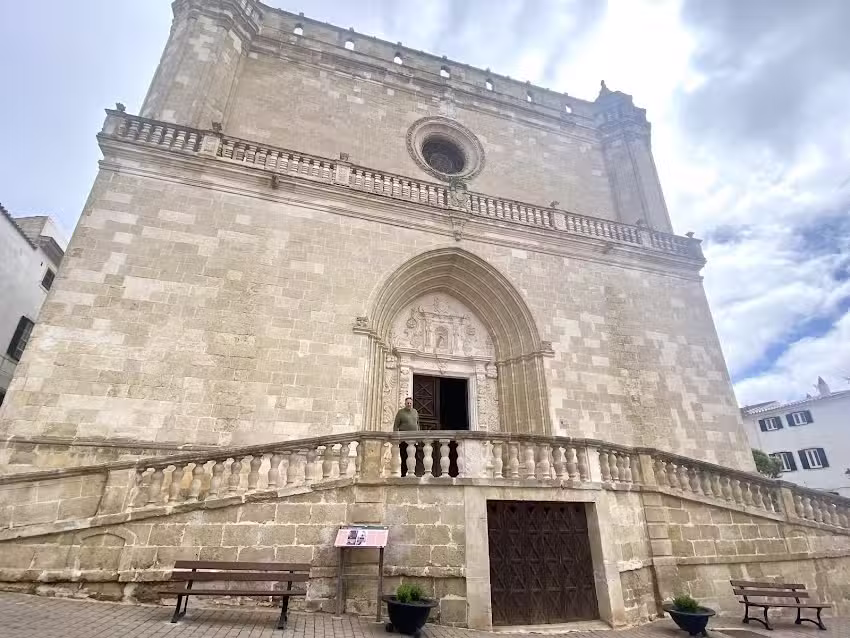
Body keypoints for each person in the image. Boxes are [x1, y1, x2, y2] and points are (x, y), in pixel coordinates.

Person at [393, 397, 419, 476]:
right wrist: (396, 436)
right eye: (407, 403)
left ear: (412, 404)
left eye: (410, 403)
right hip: (404, 438)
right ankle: (403, 474)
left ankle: (413, 472)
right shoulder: (400, 412)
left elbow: (418, 424)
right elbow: (396, 425)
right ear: (405, 404)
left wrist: (418, 436)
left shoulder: (415, 412)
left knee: (414, 456)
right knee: (404, 456)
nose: (409, 404)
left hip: (413, 438)